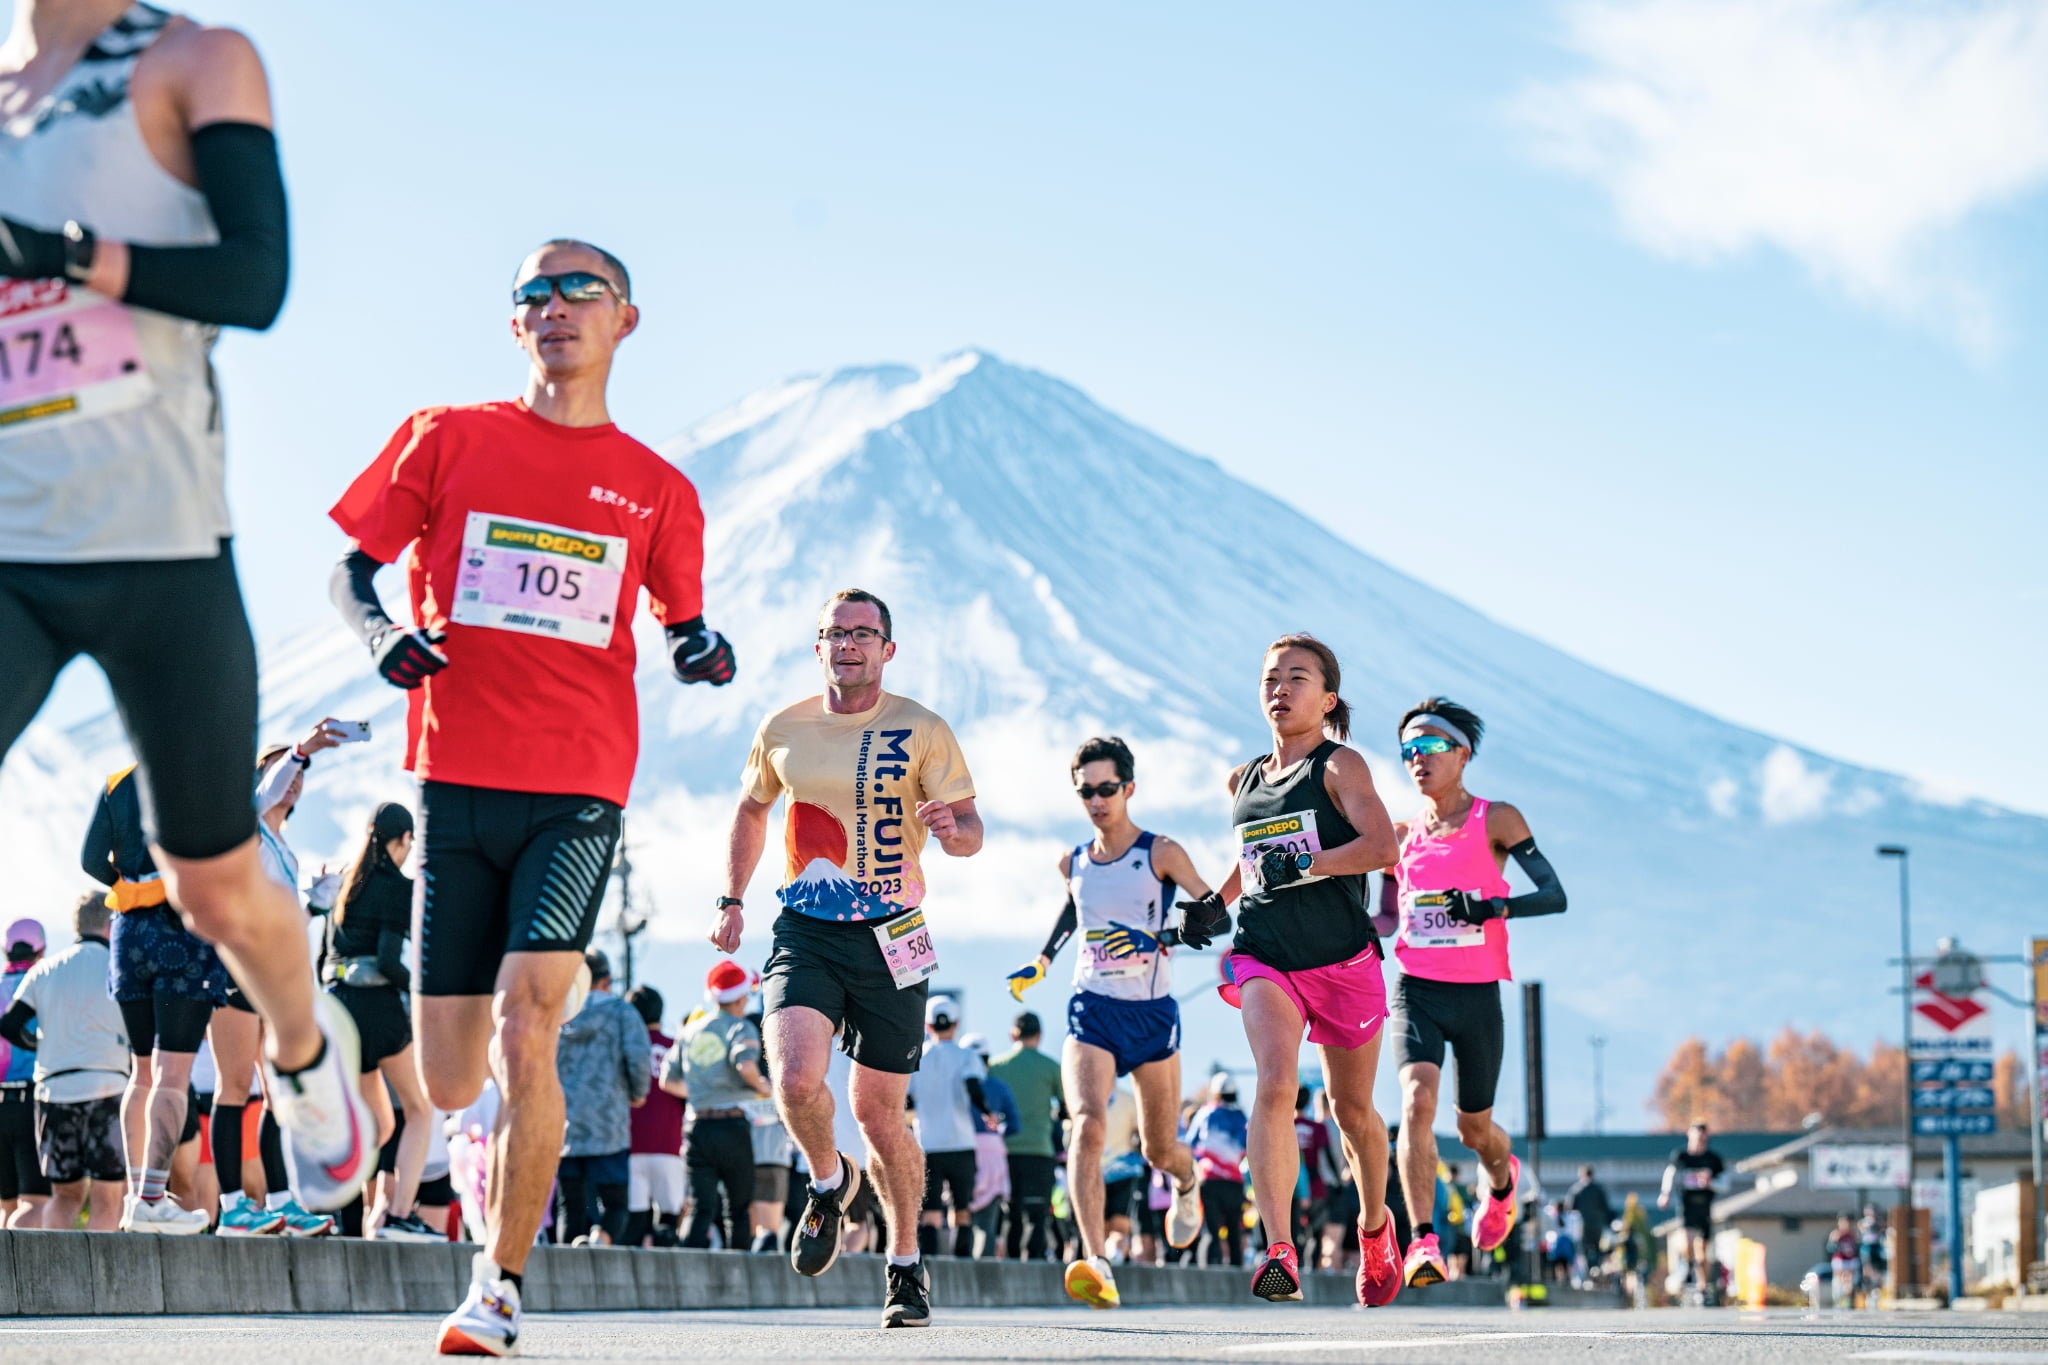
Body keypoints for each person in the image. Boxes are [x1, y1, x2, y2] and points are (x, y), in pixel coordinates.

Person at [0, 1, 374, 1224]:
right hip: (13, 544)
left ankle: (305, 1053)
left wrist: (58, 253)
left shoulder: (194, 59)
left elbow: (254, 280)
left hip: (157, 545)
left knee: (210, 884)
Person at [327, 236, 732, 1355]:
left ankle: (496, 1285)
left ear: (624, 319)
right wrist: (382, 638)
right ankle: (478, 1189)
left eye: (578, 290)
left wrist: (702, 651)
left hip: (578, 787)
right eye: (533, 293)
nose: (555, 306)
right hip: (454, 783)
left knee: (528, 1026)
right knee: (452, 1075)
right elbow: (351, 571)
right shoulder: (445, 437)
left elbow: (684, 622)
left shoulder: (657, 487)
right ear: (515, 323)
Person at [710, 588, 980, 1330]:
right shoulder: (783, 727)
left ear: (888, 649)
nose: (848, 644)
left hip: (896, 934)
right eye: (835, 633)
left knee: (878, 1114)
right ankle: (829, 1182)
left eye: (863, 633)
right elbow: (752, 808)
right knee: (795, 1078)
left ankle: (905, 1263)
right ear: (818, 645)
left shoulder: (923, 728)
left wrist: (950, 829)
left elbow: (971, 831)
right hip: (806, 928)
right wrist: (731, 898)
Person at [1215, 635, 1401, 1305]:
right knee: (1276, 1083)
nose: (1280, 688)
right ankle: (1280, 1250)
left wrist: (1310, 863)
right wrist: (1213, 903)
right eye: (1271, 677)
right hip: (1265, 953)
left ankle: (1375, 1228)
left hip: (1342, 960)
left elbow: (1382, 847)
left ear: (1327, 699)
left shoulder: (1339, 764)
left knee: (1351, 1112)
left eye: (1297, 677)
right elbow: (1252, 859)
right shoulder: (1242, 779)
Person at [1006, 736, 1217, 1308]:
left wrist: (1157, 937)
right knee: (1087, 1125)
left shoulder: (1161, 852)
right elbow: (1075, 908)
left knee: (1159, 1149)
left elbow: (1215, 917)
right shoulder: (1072, 861)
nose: (1096, 801)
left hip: (1150, 1015)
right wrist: (1042, 961)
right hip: (1091, 1008)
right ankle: (1096, 1260)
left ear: (1129, 788)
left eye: (1106, 789)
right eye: (1086, 792)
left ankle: (1187, 1180)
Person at [1372, 698, 1567, 1289]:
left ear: (1463, 753)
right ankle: (1422, 1242)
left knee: (1473, 1131)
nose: (1418, 758)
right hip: (1416, 989)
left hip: (1477, 994)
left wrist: (1491, 908)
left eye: (1431, 746)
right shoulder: (1398, 837)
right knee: (1415, 1101)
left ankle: (1501, 1183)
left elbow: (1554, 895)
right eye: (1409, 750)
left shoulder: (1497, 819)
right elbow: (1385, 919)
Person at [322, 800, 439, 1243]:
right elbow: (389, 961)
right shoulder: (397, 887)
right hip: (378, 1009)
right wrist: (422, 991)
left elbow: (323, 959)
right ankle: (399, 1215)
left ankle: (364, 1214)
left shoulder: (345, 884)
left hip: (339, 1008)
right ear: (404, 839)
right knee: (419, 1110)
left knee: (378, 1123)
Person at [0, 894, 129, 1229]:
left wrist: (40, 1044)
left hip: (54, 1091)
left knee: (64, 1198)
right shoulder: (120, 964)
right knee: (107, 1200)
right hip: (106, 1086)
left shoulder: (44, 970)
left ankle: (47, 1266)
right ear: (110, 924)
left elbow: (10, 1025)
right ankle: (97, 1268)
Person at [671, 960, 769, 1249]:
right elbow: (746, 1065)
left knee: (701, 1207)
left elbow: (667, 1080)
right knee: (738, 1208)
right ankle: (737, 1269)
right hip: (732, 1126)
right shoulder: (741, 1028)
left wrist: (701, 1093)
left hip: (696, 1126)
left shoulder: (690, 1031)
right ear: (740, 998)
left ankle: (688, 1266)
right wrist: (764, 1088)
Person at [554, 951, 649, 1246]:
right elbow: (639, 1060)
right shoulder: (622, 1013)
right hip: (609, 1123)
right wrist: (637, 1093)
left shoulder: (558, 1014)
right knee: (615, 1204)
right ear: (606, 980)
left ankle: (568, 1259)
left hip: (565, 1125)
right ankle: (601, 1238)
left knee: (570, 1207)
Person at [908, 995, 993, 1259]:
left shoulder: (916, 1056)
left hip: (928, 1143)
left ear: (927, 1025)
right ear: (956, 1024)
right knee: (962, 1208)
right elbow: (973, 1087)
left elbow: (906, 1100)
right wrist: (988, 1113)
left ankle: (929, 1262)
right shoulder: (968, 1056)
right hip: (961, 1141)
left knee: (930, 1210)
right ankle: (962, 1260)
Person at [989, 1011, 1062, 1262]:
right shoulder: (1051, 1067)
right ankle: (1034, 1261)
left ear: (1013, 1034)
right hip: (1040, 1149)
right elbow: (1066, 1105)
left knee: (1011, 1211)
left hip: (1005, 1149)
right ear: (1039, 1035)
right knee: (1038, 1213)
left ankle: (1011, 1261)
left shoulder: (995, 1066)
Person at [624, 985, 684, 1248]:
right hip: (669, 1146)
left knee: (634, 1223)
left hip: (630, 1146)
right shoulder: (675, 1047)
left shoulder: (626, 1048)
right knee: (668, 1223)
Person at [0, 918, 49, 1228]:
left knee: (6, 1206)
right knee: (36, 1204)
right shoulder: (41, 988)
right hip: (31, 1103)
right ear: (40, 951)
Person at [959, 1032, 1016, 1258]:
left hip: (960, 1150)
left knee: (960, 1215)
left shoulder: (954, 1085)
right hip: (992, 1155)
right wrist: (998, 1131)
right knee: (988, 1222)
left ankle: (961, 1267)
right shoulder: (998, 1087)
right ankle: (985, 1269)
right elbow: (1015, 1124)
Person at [1658, 1120, 1726, 1302]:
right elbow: (1670, 1174)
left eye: (1703, 1138)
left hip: (1704, 1208)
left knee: (1702, 1253)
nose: (1699, 1141)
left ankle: (1702, 1287)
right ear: (1689, 1135)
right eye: (1696, 1137)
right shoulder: (1681, 1156)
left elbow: (1725, 1183)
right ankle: (1687, 1265)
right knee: (1686, 1241)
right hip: (1687, 1206)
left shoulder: (1713, 1159)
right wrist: (1665, 1194)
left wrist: (1710, 1183)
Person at [1187, 1074, 1249, 1267]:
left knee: (1210, 1230)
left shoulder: (1205, 1113)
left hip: (1209, 1180)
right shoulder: (1240, 1117)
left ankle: (1207, 1271)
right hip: (1234, 1181)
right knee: (1234, 1230)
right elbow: (1247, 1146)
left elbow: (1189, 1145)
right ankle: (1237, 1271)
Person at [1564, 1163, 1614, 1283]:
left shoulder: (1576, 1189)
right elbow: (1606, 1208)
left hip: (1582, 1225)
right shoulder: (1599, 1189)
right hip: (1597, 1224)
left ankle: (1588, 1273)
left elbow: (1569, 1208)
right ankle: (1596, 1270)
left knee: (1584, 1250)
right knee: (1597, 1249)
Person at [1826, 1213, 1861, 1308]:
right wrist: (1834, 1241)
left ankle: (1848, 1298)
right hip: (1840, 1259)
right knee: (1839, 1279)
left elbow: (1857, 1248)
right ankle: (1838, 1299)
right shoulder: (1836, 1234)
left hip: (1850, 1260)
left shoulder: (1852, 1235)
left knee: (1849, 1279)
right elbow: (1830, 1249)